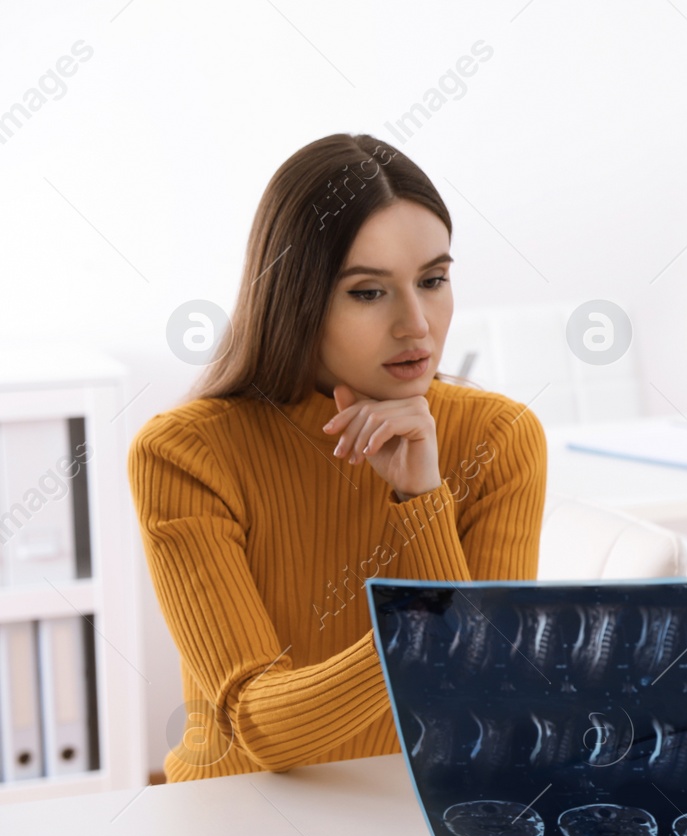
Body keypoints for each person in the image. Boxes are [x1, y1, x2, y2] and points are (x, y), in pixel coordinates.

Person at [132, 133, 546, 782]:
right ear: (296, 300)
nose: (417, 324)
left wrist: (422, 502)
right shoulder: (185, 454)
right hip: (239, 824)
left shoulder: (498, 436)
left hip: (424, 813)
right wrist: (430, 629)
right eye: (368, 292)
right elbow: (263, 729)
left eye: (433, 279)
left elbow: (485, 708)